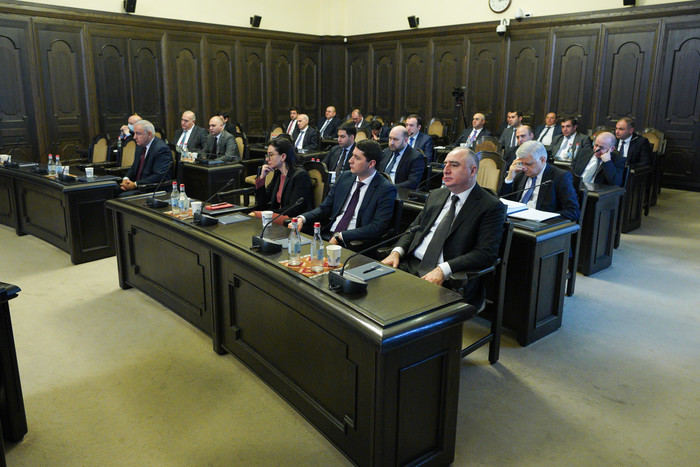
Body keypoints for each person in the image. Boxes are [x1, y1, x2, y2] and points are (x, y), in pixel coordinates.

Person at [381, 147, 506, 308]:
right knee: (372, 290)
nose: (445, 170)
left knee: (402, 310)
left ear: (472, 170)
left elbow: (485, 254)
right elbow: (414, 228)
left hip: (450, 278)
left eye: (454, 165)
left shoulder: (490, 206)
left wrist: (444, 269)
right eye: (445, 164)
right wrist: (396, 252)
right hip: (410, 265)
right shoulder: (436, 195)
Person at [293, 139, 396, 246]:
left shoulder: (385, 189)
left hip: (353, 242)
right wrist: (302, 218)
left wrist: (341, 236)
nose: (350, 161)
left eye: (357, 158)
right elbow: (324, 208)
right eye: (352, 155)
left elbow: (377, 227)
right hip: (328, 234)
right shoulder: (345, 177)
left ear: (371, 164)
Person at [499, 140, 580, 222]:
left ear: (542, 160)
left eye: (528, 164)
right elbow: (502, 203)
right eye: (521, 163)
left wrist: (545, 218)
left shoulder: (560, 177)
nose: (524, 168)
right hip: (515, 221)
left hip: (540, 225)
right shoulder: (519, 173)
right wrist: (509, 179)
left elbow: (573, 212)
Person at [251, 137, 313, 220]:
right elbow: (262, 203)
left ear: (283, 156)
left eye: (271, 155)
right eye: (267, 155)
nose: (267, 159)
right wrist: (262, 178)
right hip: (279, 215)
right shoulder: (278, 173)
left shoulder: (300, 176)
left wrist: (267, 213)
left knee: (253, 215)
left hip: (292, 220)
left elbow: (293, 210)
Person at [118, 119, 172, 196]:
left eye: (138, 134)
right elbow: (134, 167)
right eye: (134, 133)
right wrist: (126, 179)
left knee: (123, 195)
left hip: (150, 189)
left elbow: (159, 176)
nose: (134, 137)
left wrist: (135, 184)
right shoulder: (140, 146)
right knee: (113, 188)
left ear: (149, 134)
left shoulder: (161, 149)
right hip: (139, 186)